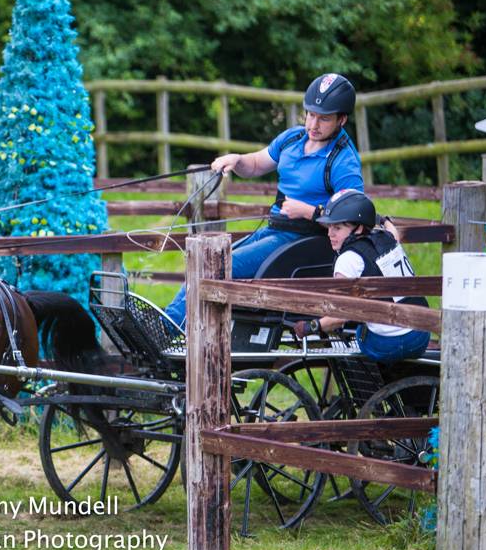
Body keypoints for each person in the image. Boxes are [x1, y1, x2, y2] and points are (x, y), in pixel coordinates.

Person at [165, 73, 363, 327]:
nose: (313, 124)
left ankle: (169, 327)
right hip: (274, 231)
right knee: (206, 260)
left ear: (341, 119)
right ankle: (171, 324)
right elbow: (257, 164)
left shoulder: (344, 162)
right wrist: (237, 160)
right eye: (310, 115)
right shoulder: (292, 138)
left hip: (304, 240)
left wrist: (308, 211)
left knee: (218, 266)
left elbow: (353, 217)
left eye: (323, 119)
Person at [293, 189, 430, 363]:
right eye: (329, 227)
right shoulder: (387, 238)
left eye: (337, 228)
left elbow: (340, 316)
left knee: (359, 331)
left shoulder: (348, 260)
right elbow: (393, 230)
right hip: (421, 334)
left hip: (390, 344)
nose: (330, 233)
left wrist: (311, 326)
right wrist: (382, 220)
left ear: (358, 228)